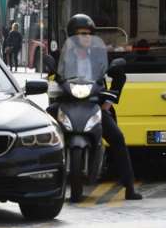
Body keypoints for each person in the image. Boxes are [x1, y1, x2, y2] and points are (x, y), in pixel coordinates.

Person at [60, 14, 142, 200]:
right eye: (81, 34)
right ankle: (46, 181)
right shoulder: (64, 56)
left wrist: (108, 102)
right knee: (46, 133)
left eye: (89, 34)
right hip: (70, 104)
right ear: (72, 36)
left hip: (93, 106)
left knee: (118, 138)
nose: (86, 37)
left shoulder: (99, 54)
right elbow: (55, 75)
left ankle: (129, 187)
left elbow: (119, 75)